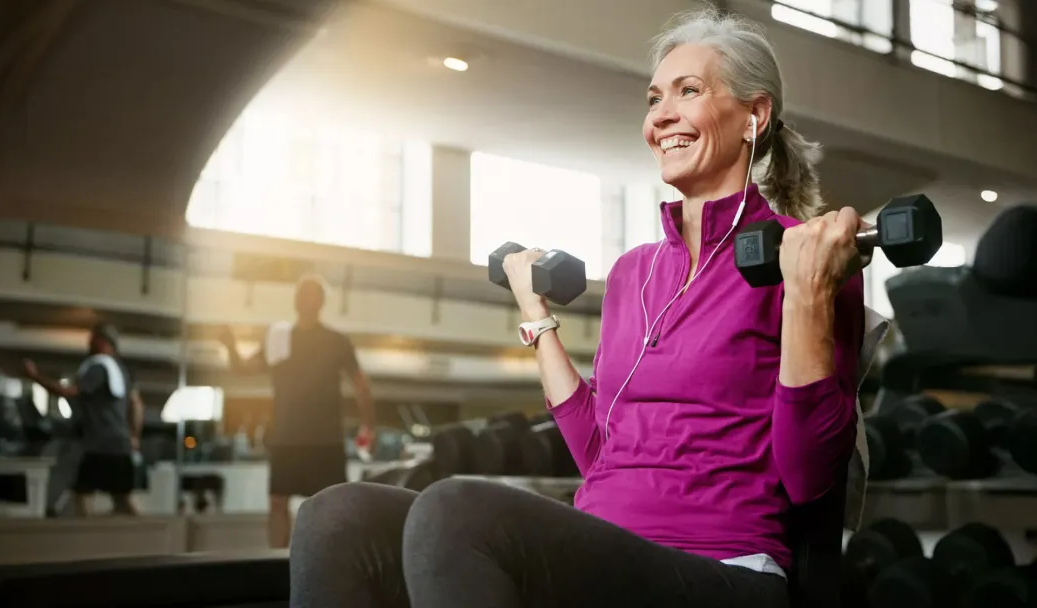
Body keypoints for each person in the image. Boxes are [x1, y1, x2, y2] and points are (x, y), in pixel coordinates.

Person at [288, 8, 870, 607]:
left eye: (688, 91)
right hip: (607, 547)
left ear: (755, 114)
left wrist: (807, 294)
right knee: (338, 516)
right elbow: (599, 457)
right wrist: (535, 315)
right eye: (653, 99)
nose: (661, 115)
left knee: (455, 510)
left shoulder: (803, 258)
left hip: (723, 567)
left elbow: (808, 479)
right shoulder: (632, 274)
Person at [220, 274, 375, 549]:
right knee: (277, 502)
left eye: (311, 293)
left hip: (325, 440)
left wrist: (368, 426)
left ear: (321, 302)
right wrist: (230, 345)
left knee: (333, 505)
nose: (304, 297)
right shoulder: (279, 338)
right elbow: (243, 369)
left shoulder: (336, 341)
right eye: (300, 292)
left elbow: (361, 385)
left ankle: (332, 560)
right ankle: (277, 563)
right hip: (286, 438)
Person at [25, 322, 144, 516]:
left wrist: (35, 376)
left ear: (104, 342)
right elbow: (137, 405)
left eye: (93, 338)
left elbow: (69, 391)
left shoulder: (98, 367)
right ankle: (147, 535)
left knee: (82, 495)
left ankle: (87, 538)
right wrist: (134, 436)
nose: (89, 342)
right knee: (123, 499)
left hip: (100, 444)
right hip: (120, 444)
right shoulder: (121, 370)